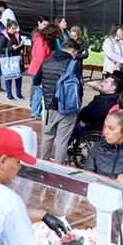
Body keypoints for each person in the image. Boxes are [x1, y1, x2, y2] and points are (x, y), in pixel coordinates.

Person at [38, 33, 82, 163]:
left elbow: (36, 81)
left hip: (49, 106)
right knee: (62, 140)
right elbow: (78, 87)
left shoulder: (46, 61)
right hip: (67, 108)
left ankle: (43, 164)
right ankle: (59, 169)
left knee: (47, 137)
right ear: (72, 51)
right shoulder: (74, 64)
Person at [27, 17, 52, 118]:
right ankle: (35, 112)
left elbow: (33, 53)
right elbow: (41, 57)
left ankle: (35, 109)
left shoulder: (38, 40)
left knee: (36, 89)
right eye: (45, 25)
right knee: (38, 91)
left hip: (34, 68)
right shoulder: (42, 42)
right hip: (38, 69)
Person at [0, 20, 25, 101]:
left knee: (18, 77)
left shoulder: (17, 35)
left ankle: (19, 94)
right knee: (8, 77)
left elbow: (21, 46)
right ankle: (9, 94)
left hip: (16, 58)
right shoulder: (3, 36)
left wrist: (20, 46)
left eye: (15, 28)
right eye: (13, 28)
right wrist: (10, 48)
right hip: (8, 59)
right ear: (8, 28)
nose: (14, 30)